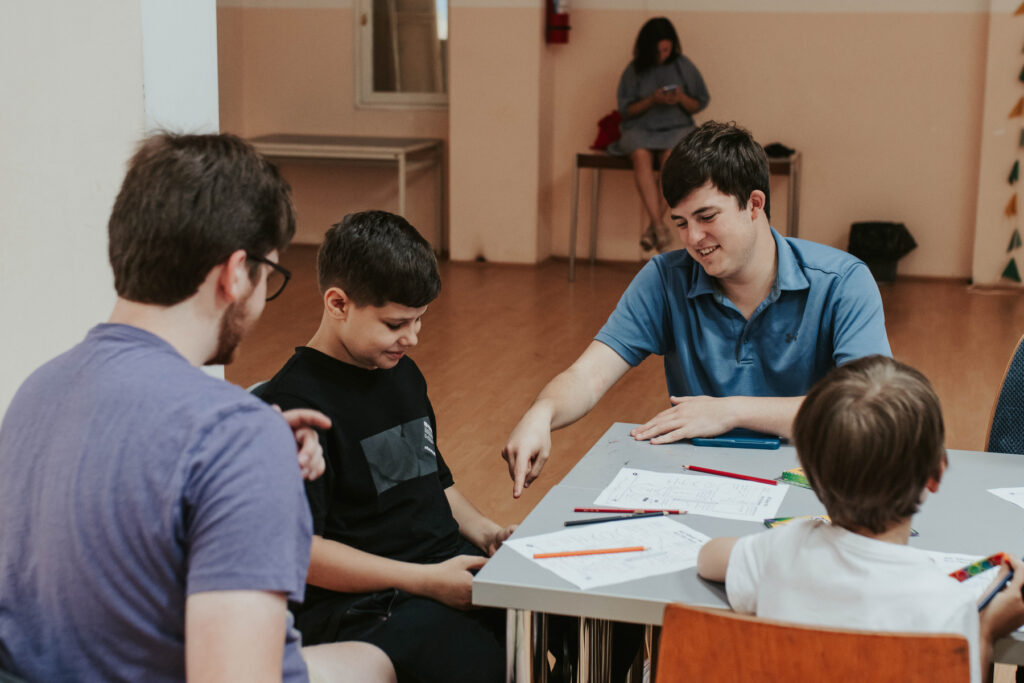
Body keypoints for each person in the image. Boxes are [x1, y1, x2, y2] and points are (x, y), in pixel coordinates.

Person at [0, 133, 394, 683]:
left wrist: (246, 454)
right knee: (374, 664)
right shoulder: (234, 438)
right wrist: (246, 452)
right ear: (236, 273)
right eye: (269, 277)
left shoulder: (36, 392)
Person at [503, 120, 891, 498]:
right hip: (701, 482)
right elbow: (587, 377)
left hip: (816, 479)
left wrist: (730, 412)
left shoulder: (843, 282)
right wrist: (543, 412)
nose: (693, 239)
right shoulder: (664, 278)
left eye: (707, 217)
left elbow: (868, 409)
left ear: (754, 204)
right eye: (681, 223)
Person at [254, 211, 514, 683]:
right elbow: (304, 555)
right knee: (480, 660)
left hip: (440, 569)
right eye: (396, 323)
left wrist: (487, 532)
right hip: (364, 604)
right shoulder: (292, 408)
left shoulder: (401, 374)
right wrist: (427, 582)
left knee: (562, 613)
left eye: (419, 320)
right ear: (338, 303)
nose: (412, 338)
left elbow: (433, 481)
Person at [696, 355, 1024, 683]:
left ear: (809, 474)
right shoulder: (948, 606)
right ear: (936, 474)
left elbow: (708, 559)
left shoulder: (782, 550)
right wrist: (984, 632)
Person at [608, 17, 710, 252]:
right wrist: (652, 99)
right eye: (659, 50)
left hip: (676, 128)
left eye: (667, 49)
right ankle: (658, 225)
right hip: (641, 128)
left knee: (672, 162)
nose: (664, 54)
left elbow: (698, 103)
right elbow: (627, 110)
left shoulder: (683, 65)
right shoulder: (634, 70)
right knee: (640, 155)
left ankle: (652, 229)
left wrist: (680, 98)